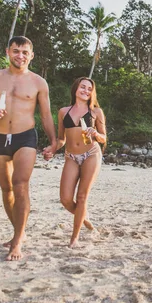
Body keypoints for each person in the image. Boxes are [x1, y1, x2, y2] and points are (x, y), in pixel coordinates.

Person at [0, 36, 57, 261]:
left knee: (20, 185)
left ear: (31, 56)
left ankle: (18, 241)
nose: (20, 55)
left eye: (24, 52)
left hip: (25, 137)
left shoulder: (39, 82)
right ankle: (17, 231)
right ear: (7, 52)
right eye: (16, 51)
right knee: (6, 189)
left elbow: (46, 115)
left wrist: (54, 141)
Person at [54, 77, 107, 248]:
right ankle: (84, 217)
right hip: (71, 156)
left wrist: (96, 135)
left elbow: (104, 138)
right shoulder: (63, 112)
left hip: (91, 154)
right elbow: (61, 139)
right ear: (76, 89)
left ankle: (74, 239)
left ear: (92, 92)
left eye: (89, 88)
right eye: (82, 87)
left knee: (82, 196)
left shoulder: (96, 112)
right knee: (65, 199)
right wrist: (51, 148)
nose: (86, 90)